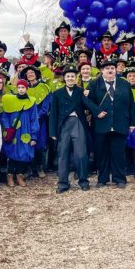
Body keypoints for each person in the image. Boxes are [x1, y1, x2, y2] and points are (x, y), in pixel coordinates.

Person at [85, 60, 135, 188]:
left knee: (118, 153)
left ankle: (119, 178)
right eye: (107, 68)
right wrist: (97, 111)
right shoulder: (94, 84)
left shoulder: (124, 84)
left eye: (112, 68)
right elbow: (86, 101)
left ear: (116, 70)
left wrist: (132, 123)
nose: (110, 70)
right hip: (101, 124)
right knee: (101, 153)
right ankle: (102, 179)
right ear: (102, 71)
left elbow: (131, 104)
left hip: (120, 123)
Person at [49, 64, 95, 193]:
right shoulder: (57, 93)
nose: (70, 78)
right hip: (63, 125)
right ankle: (63, 183)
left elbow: (89, 105)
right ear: (64, 78)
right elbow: (53, 113)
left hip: (78, 123)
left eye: (72, 76)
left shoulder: (80, 91)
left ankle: (83, 181)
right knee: (62, 155)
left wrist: (97, 109)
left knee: (81, 154)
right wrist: (52, 131)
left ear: (76, 78)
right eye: (68, 76)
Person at [0, 79, 39, 188]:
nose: (21, 90)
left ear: (26, 89)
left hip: (25, 131)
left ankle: (20, 175)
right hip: (13, 131)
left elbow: (34, 119)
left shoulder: (31, 102)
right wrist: (7, 129)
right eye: (19, 88)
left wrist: (34, 136)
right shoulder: (10, 100)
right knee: (12, 153)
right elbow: (5, 116)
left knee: (24, 153)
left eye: (23, 88)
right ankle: (10, 176)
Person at [21, 65, 51, 178]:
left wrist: (36, 117)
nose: (30, 74)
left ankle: (39, 167)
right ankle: (28, 168)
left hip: (40, 120)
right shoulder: (23, 88)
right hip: (26, 120)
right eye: (28, 73)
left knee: (40, 144)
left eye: (32, 72)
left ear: (36, 74)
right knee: (27, 142)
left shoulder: (44, 87)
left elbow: (46, 106)